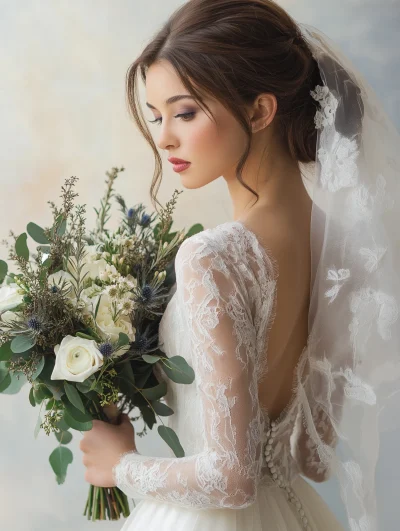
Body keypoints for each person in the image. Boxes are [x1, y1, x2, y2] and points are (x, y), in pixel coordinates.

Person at [79, 1, 400, 530]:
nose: (164, 138)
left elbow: (232, 478)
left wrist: (120, 466)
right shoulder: (346, 251)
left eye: (184, 112)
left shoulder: (212, 256)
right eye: (157, 117)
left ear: (259, 111)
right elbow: (312, 459)